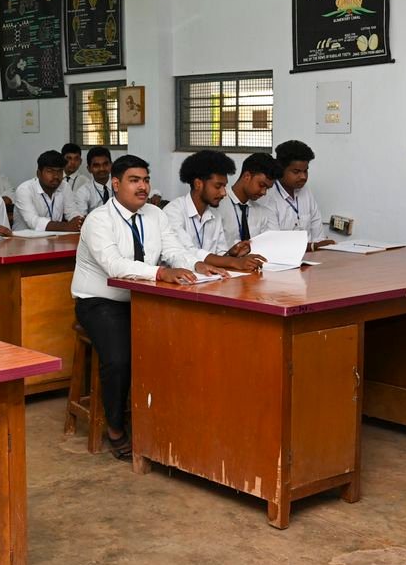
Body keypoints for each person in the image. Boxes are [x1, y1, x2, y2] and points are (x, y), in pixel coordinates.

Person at [72, 155, 207, 459]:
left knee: (182, 344)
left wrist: (202, 266)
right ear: (116, 184)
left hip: (144, 299)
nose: (143, 186)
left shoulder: (156, 215)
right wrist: (161, 273)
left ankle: (166, 422)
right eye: (134, 180)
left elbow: (175, 252)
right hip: (100, 303)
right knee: (119, 359)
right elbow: (115, 266)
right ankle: (117, 428)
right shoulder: (99, 220)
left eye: (146, 180)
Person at [164, 151, 267, 273]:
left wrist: (232, 253)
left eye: (224, 186)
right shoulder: (173, 211)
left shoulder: (215, 214)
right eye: (218, 186)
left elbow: (220, 255)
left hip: (208, 281)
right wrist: (235, 262)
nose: (224, 193)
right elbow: (187, 252)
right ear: (198, 184)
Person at [259, 139, 333, 250]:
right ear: (281, 170)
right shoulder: (267, 196)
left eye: (305, 171)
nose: (303, 177)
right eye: (296, 172)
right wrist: (313, 247)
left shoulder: (305, 191)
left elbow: (318, 235)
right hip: (283, 261)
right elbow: (274, 243)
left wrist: (318, 246)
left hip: (312, 259)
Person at [218, 153, 282, 254]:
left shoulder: (261, 211)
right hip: (222, 265)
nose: (263, 192)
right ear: (246, 176)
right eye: (261, 185)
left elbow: (272, 246)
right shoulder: (218, 204)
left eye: (267, 188)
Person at [13, 151, 85, 232]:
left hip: (56, 239)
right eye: (50, 171)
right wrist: (67, 226)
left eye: (60, 171)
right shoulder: (24, 190)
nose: (56, 176)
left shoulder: (64, 186)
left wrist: (79, 221)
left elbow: (72, 212)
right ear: (38, 173)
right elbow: (33, 222)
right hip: (24, 241)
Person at [71, 146, 115, 214]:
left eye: (105, 164)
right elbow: (82, 218)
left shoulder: (121, 186)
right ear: (89, 169)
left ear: (111, 165)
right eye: (96, 165)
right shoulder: (83, 192)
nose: (102, 169)